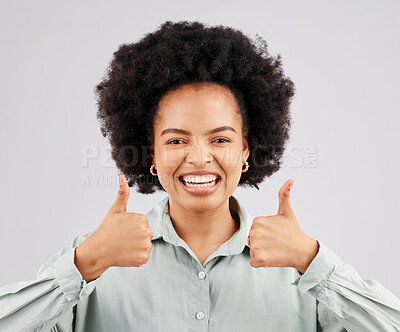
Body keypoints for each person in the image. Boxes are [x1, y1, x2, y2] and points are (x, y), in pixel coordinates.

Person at [1, 20, 399, 332]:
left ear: (246, 149)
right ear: (151, 153)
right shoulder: (95, 260)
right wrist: (84, 264)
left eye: (220, 139)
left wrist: (314, 263)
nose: (199, 158)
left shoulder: (299, 266)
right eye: (176, 141)